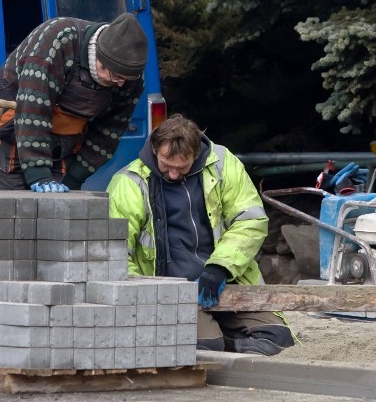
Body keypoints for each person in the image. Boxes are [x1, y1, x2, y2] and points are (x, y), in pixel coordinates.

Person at [107, 114, 295, 355]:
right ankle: (225, 341)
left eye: (181, 167)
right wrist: (150, 297)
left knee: (277, 340)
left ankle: (228, 336)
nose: (173, 174)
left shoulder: (223, 164)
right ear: (155, 149)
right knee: (206, 350)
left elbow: (251, 221)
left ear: (196, 154)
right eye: (166, 164)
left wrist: (219, 269)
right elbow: (117, 252)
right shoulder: (128, 183)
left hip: (226, 282)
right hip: (171, 294)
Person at [0, 12, 147, 192]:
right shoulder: (56, 42)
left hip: (60, 145)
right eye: (115, 76)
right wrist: (39, 174)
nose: (120, 83)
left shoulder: (130, 77)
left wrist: (74, 178)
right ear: (98, 56)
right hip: (9, 135)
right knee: (4, 210)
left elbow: (108, 135)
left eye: (126, 79)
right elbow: (33, 111)